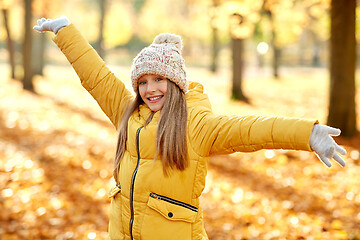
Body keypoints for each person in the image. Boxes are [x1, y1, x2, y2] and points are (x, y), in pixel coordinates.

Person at [33, 16, 347, 240]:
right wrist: (65, 32)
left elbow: (253, 130)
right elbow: (97, 77)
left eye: (159, 79)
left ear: (176, 83)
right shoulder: (128, 113)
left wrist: (307, 133)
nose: (150, 89)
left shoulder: (195, 125)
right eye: (142, 81)